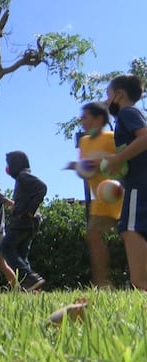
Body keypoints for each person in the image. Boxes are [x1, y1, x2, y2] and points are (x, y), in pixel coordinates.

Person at [67, 102, 122, 288]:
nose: (82, 121)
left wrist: (98, 163)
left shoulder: (111, 138)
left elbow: (124, 161)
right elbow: (84, 169)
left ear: (99, 119)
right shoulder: (84, 142)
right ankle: (102, 283)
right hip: (101, 200)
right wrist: (78, 167)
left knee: (132, 237)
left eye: (85, 117)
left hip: (121, 196)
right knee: (92, 235)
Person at [102, 74, 147, 290]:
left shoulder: (128, 113)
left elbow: (145, 137)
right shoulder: (129, 117)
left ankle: (141, 284)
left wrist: (118, 158)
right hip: (137, 181)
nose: (106, 100)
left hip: (140, 185)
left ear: (118, 95)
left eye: (108, 95)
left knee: (130, 229)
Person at [0, 151, 48, 292]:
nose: (7, 168)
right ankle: (33, 288)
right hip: (30, 222)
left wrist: (29, 210)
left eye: (9, 164)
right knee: (21, 255)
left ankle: (30, 277)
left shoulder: (23, 177)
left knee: (6, 247)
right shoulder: (23, 178)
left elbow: (42, 187)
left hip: (24, 221)